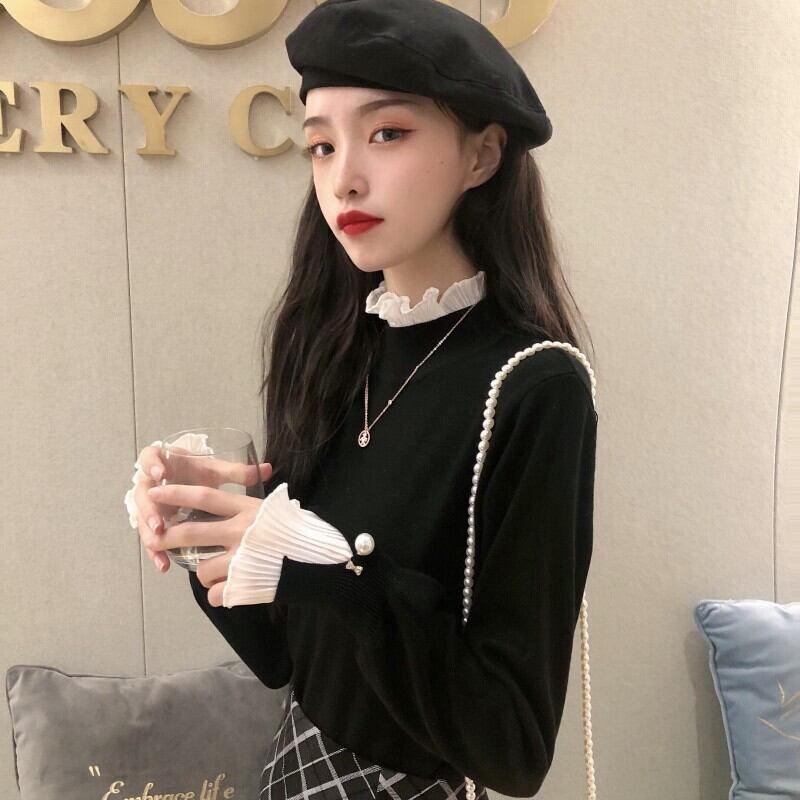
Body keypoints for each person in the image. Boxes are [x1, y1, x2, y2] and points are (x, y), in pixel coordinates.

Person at [125, 1, 598, 797]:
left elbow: (514, 746)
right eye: (321, 144)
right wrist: (204, 526)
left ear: (481, 155)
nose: (343, 176)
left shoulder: (532, 386)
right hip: (293, 774)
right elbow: (282, 655)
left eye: (387, 133)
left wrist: (333, 568)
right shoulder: (329, 348)